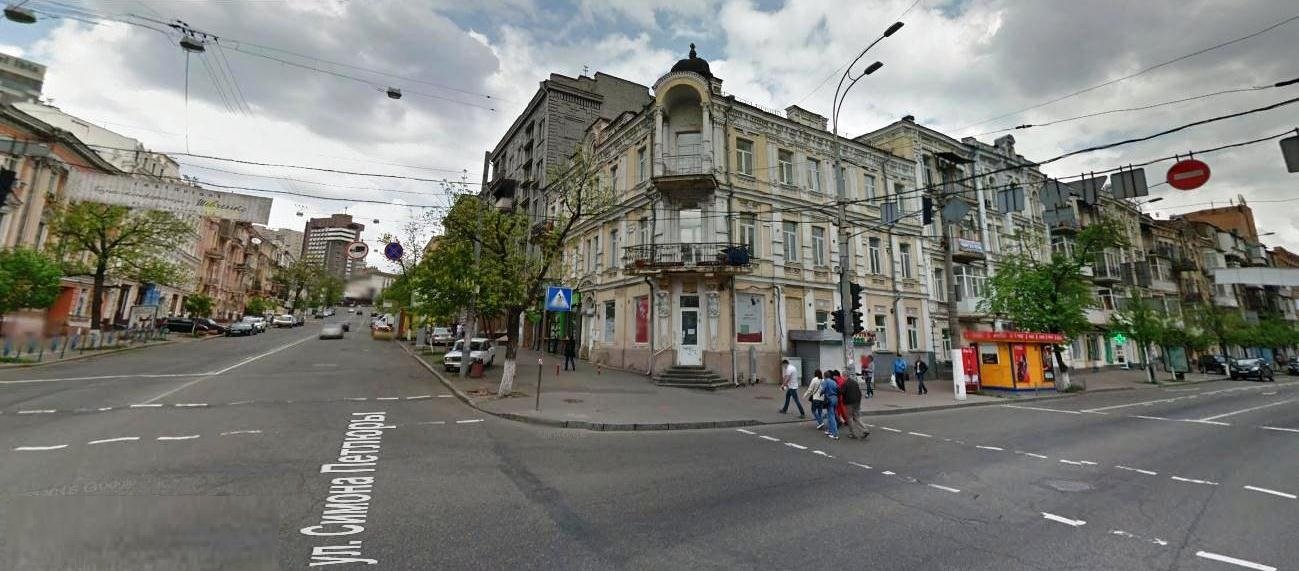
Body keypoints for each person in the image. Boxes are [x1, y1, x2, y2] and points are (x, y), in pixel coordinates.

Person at [840, 372, 869, 439]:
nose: (842, 378)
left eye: (842, 376)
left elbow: (842, 392)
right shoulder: (855, 382)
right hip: (857, 402)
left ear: (844, 376)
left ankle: (852, 433)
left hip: (849, 403)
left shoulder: (845, 384)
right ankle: (865, 430)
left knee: (849, 418)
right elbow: (859, 392)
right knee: (856, 417)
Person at [821, 371, 840, 440]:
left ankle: (835, 434)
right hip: (835, 398)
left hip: (829, 399)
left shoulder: (825, 381)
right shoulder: (833, 381)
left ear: (824, 376)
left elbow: (823, 390)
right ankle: (830, 431)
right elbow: (838, 389)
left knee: (831, 416)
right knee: (830, 415)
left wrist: (821, 393)